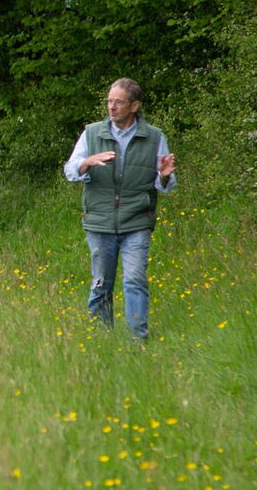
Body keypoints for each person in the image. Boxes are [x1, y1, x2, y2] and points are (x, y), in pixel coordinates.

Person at [63, 77, 177, 340]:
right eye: (109, 102)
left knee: (134, 279)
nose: (111, 107)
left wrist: (164, 176)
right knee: (102, 284)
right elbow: (70, 170)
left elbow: (166, 185)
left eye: (118, 102)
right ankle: (100, 339)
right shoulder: (92, 133)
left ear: (134, 105)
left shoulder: (154, 137)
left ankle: (138, 340)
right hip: (100, 221)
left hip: (137, 221)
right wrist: (87, 163)